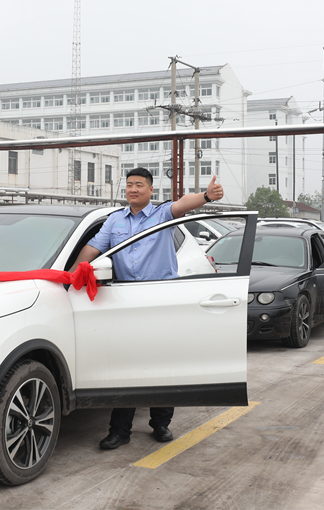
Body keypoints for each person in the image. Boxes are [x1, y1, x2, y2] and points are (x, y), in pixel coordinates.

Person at [71, 167, 224, 451]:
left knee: (164, 363)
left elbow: (182, 204)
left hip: (161, 299)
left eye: (139, 185)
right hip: (126, 301)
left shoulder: (161, 214)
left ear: (150, 190)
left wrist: (206, 196)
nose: (133, 189)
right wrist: (71, 275)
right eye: (129, 184)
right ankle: (120, 431)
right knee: (126, 366)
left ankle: (161, 424)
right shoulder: (115, 220)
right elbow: (93, 249)